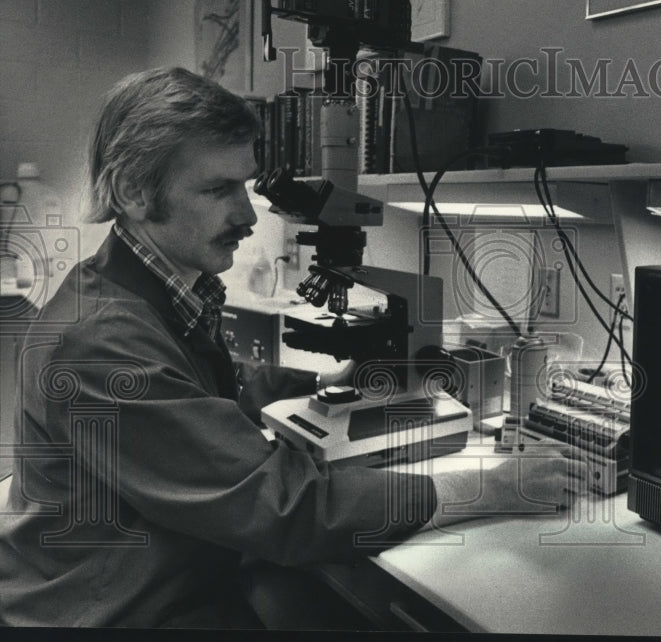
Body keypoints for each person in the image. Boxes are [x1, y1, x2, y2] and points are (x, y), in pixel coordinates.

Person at [0, 67, 578, 628]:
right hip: (104, 612)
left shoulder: (142, 287)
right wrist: (491, 487)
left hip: (154, 581)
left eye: (246, 185)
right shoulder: (101, 344)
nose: (247, 214)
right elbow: (283, 507)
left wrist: (325, 390)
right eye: (217, 189)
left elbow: (211, 388)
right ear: (132, 191)